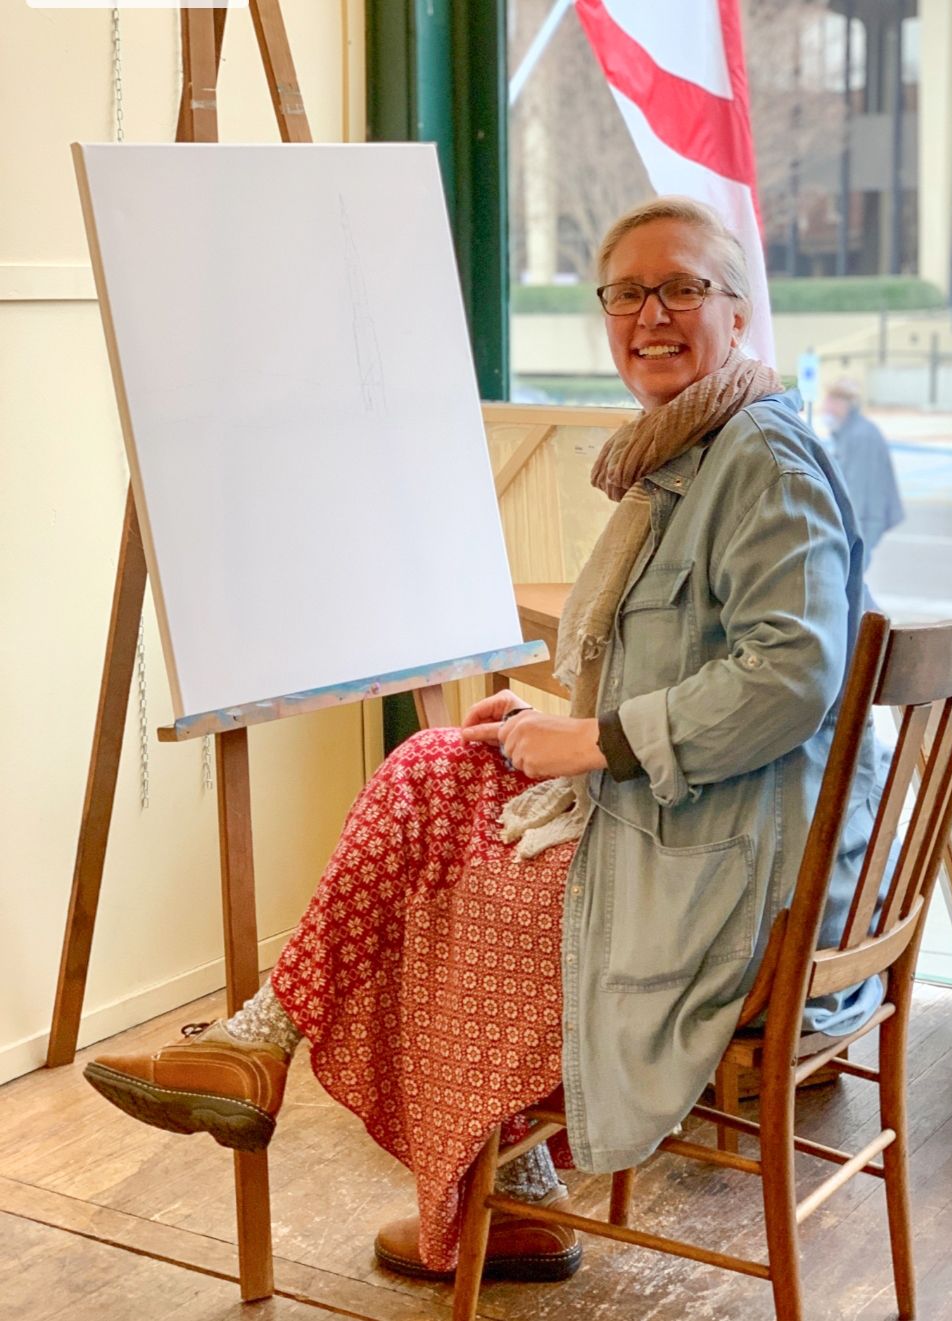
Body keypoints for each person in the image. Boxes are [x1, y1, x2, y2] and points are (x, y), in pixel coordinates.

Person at [84, 196, 885, 1285]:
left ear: (737, 314)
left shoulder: (761, 464)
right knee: (432, 769)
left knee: (437, 891)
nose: (651, 313)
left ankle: (492, 1185)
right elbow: (703, 659)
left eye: (682, 287)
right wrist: (548, 715)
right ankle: (264, 1052)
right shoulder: (699, 449)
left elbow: (789, 674)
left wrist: (592, 738)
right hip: (702, 828)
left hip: (735, 886)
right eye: (626, 292)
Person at [820, 377, 904, 565]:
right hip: (860, 523)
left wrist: (847, 533)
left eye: (831, 402)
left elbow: (856, 492)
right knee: (851, 584)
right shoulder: (847, 432)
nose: (826, 408)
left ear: (844, 405)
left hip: (863, 524)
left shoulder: (861, 436)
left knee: (851, 582)